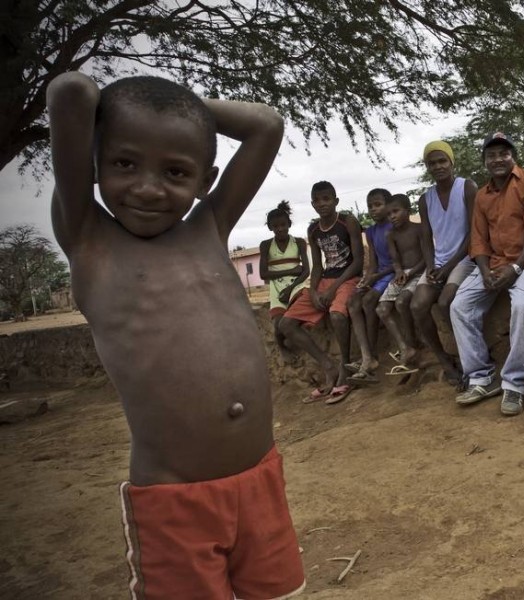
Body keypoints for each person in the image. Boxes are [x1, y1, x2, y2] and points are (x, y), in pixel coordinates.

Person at [47, 73, 305, 598]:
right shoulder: (89, 240)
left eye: (175, 171)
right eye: (124, 163)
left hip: (260, 478)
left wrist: (184, 106)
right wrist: (141, 106)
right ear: (94, 163)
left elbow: (266, 125)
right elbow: (71, 92)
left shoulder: (209, 228)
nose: (148, 187)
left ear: (205, 181)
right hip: (174, 500)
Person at [450, 133, 524, 416]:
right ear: (484, 161)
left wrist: (516, 267)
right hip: (494, 263)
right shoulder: (482, 195)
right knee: (460, 306)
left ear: (513, 156)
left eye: (503, 154)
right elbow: (478, 239)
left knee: (521, 305)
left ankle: (515, 384)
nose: (497, 160)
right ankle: (481, 377)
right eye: (491, 155)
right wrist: (484, 272)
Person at [279, 181, 363, 405]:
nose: (322, 203)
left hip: (349, 278)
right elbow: (317, 265)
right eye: (317, 200)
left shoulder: (348, 222)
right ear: (312, 204)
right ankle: (328, 366)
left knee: (337, 315)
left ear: (336, 201)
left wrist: (334, 288)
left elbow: (358, 262)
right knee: (286, 324)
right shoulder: (313, 229)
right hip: (325, 280)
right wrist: (314, 291)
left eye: (326, 199)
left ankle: (345, 368)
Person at [410, 141, 477, 385]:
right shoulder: (425, 199)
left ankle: (470, 357)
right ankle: (445, 360)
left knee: (446, 301)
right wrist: (430, 267)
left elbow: (474, 232)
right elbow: (426, 237)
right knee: (418, 305)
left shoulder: (467, 187)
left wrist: (448, 268)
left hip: (465, 256)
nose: (438, 166)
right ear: (427, 167)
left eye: (442, 161)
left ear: (451, 162)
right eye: (432, 163)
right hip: (438, 261)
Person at [345, 188, 394, 383]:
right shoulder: (371, 232)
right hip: (378, 275)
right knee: (353, 301)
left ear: (389, 205)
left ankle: (371, 357)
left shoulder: (393, 227)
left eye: (378, 204)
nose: (373, 209)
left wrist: (376, 278)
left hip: (392, 274)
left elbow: (398, 263)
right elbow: (373, 262)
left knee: (368, 301)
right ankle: (365, 355)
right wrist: (366, 279)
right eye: (370, 206)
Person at [376, 193, 426, 374]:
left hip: (419, 272)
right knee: (381, 309)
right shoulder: (391, 235)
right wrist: (398, 271)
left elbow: (427, 257)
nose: (392, 216)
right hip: (402, 274)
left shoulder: (419, 229)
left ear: (408, 210)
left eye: (396, 211)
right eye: (389, 214)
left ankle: (413, 342)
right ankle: (405, 347)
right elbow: (395, 259)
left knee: (401, 301)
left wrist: (411, 273)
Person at [259, 200, 309, 363]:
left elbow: (306, 271)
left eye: (283, 225)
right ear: (270, 227)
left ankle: (300, 343)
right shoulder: (266, 245)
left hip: (296, 286)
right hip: (277, 288)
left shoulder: (299, 242)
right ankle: (282, 347)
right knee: (278, 323)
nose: (280, 229)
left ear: (289, 224)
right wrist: (291, 270)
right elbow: (263, 274)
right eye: (275, 226)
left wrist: (291, 287)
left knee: (297, 318)